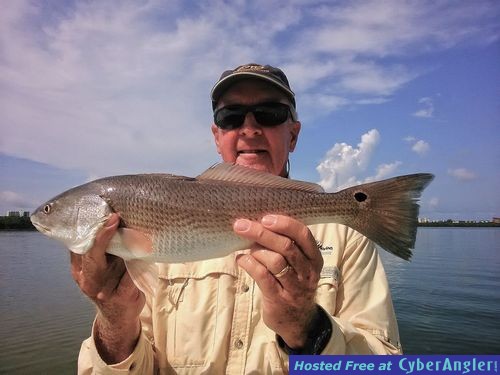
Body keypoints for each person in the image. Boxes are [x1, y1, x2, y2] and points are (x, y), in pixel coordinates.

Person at [74, 63, 402, 374]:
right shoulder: (154, 237)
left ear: (293, 135)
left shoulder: (349, 237)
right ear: (217, 137)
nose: (249, 129)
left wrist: (308, 326)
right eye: (231, 117)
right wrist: (115, 317)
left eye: (269, 114)